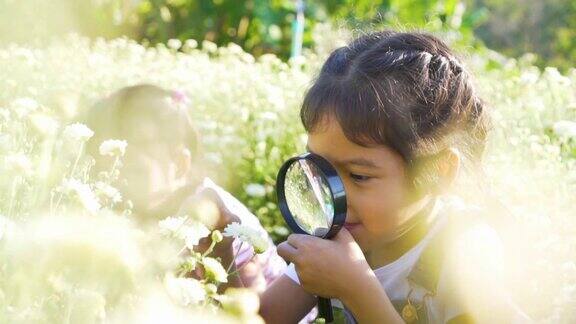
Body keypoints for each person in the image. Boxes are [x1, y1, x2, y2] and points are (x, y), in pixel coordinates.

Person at [214, 30, 530, 323]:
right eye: (319, 168)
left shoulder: (466, 249)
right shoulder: (338, 235)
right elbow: (265, 318)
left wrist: (356, 288)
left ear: (438, 172)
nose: (330, 193)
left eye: (359, 176)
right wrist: (222, 248)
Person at [83, 84, 288, 293]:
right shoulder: (141, 206)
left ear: (180, 165)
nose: (116, 186)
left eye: (135, 172)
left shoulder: (216, 218)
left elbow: (252, 303)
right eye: (105, 174)